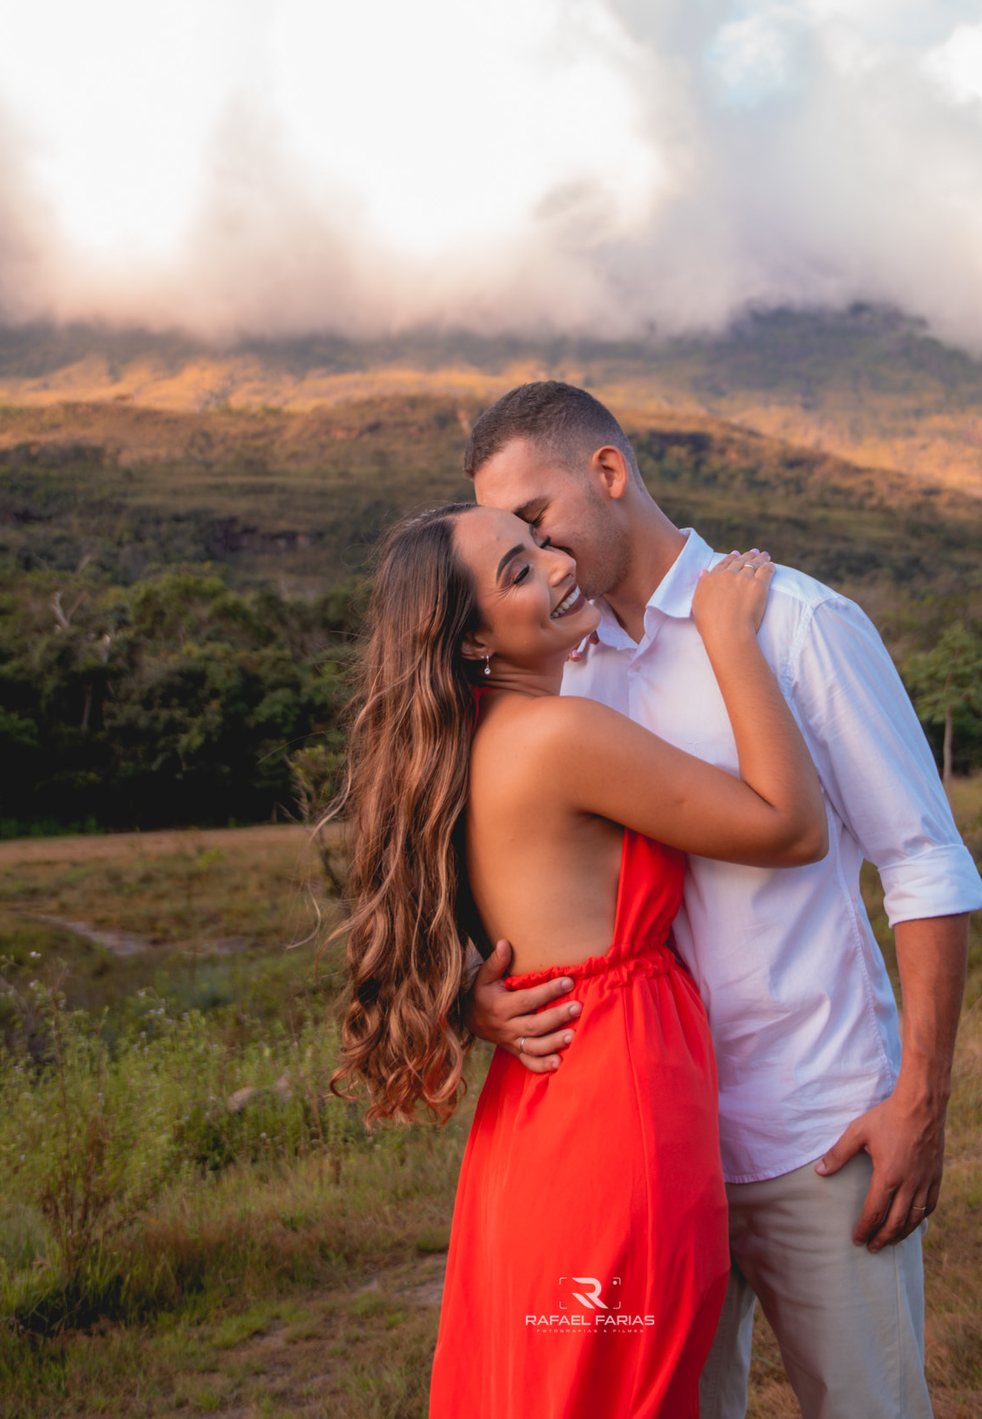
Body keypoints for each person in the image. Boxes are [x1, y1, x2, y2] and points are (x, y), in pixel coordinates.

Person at [463, 382, 982, 1419]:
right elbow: (515, 866)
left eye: (536, 522)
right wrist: (475, 994)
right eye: (513, 546)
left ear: (608, 473)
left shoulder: (796, 623)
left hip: (816, 1130)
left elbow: (923, 861)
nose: (543, 559)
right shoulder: (560, 669)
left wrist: (919, 1099)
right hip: (651, 1154)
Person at [330, 501, 828, 1419]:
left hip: (538, 1114)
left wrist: (469, 1003)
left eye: (540, 547)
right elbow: (792, 829)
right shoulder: (559, 739)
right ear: (472, 639)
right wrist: (729, 638)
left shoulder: (459, 750)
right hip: (617, 1105)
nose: (558, 569)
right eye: (517, 573)